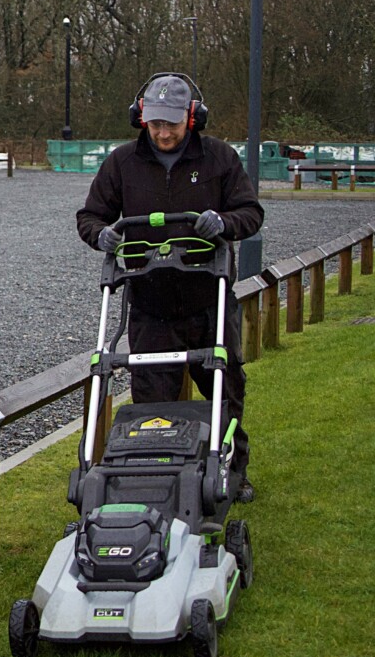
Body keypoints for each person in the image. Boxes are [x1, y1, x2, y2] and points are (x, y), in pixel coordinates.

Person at [76, 73, 264, 503]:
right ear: (142, 118)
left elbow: (250, 212)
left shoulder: (218, 158)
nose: (162, 132)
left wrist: (225, 222)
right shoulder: (122, 162)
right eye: (155, 123)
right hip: (149, 305)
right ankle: (156, 480)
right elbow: (90, 216)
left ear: (191, 118)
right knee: (151, 405)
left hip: (208, 302)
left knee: (224, 392)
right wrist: (101, 234)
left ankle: (233, 471)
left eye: (171, 124)